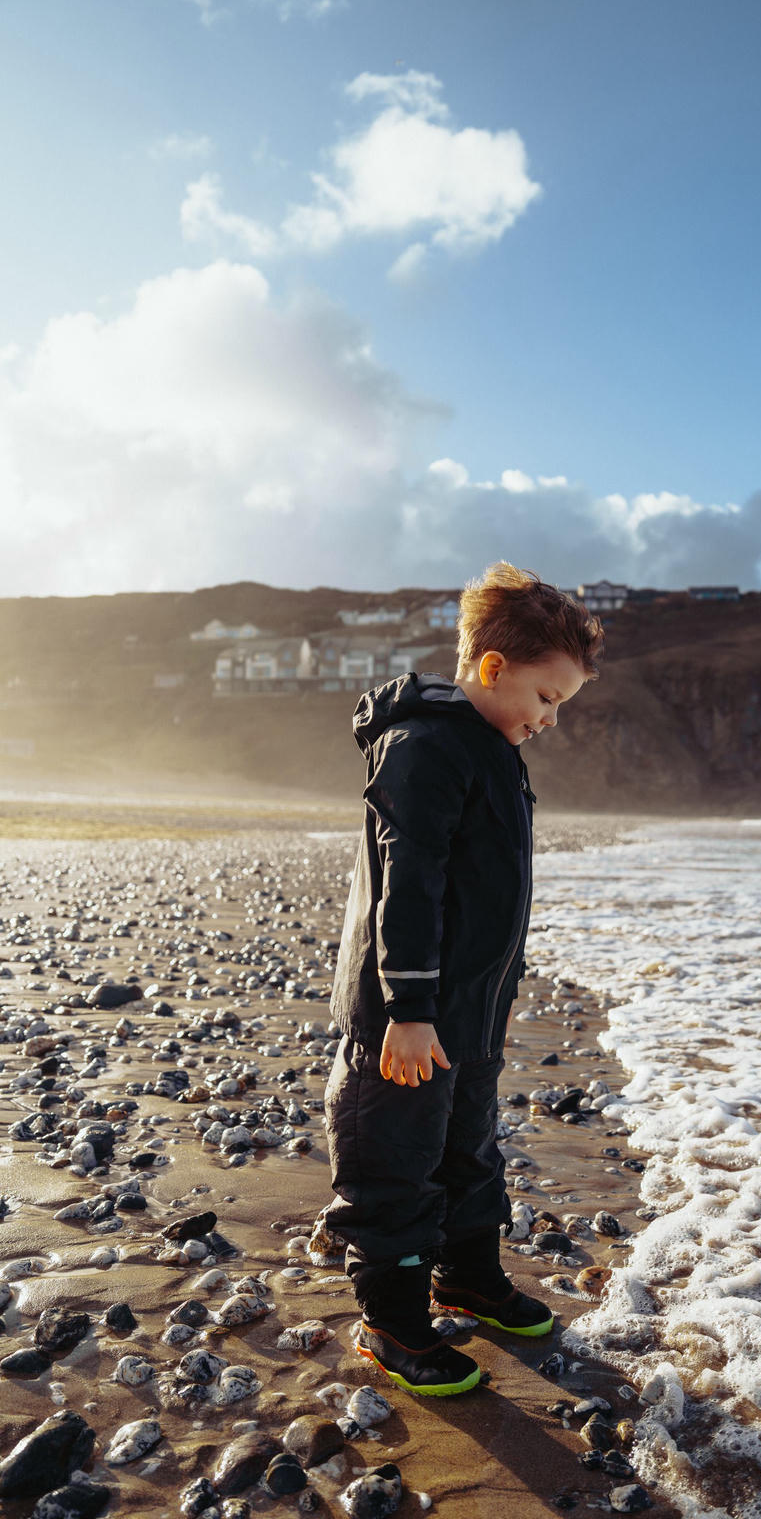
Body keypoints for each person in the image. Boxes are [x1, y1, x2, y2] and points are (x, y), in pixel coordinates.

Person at [312, 561, 603, 1396]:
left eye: (563, 707)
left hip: (468, 1011)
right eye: (547, 699)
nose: (550, 720)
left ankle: (468, 1275)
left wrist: (478, 1004)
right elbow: (411, 884)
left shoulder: (492, 743)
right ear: (492, 669)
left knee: (469, 1150)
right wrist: (406, 1010)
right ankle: (392, 1323)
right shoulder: (425, 745)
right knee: (394, 1159)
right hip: (406, 1014)